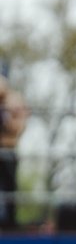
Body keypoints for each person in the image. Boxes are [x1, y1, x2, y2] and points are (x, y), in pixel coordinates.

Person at [0, 76, 28, 232]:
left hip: (9, 149)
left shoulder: (14, 100)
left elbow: (20, 126)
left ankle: (9, 222)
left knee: (10, 187)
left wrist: (7, 120)